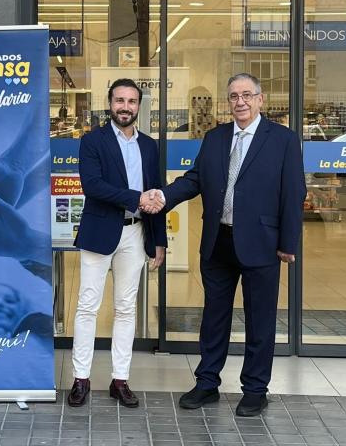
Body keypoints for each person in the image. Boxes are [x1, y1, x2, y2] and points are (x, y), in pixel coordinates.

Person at [142, 73, 305, 417]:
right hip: (218, 241)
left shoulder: (283, 140)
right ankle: (207, 383)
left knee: (259, 319)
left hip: (262, 243)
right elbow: (195, 180)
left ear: (261, 99)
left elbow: (293, 192)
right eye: (233, 96)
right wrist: (164, 196)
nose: (240, 102)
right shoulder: (215, 137)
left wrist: (288, 241)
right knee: (214, 317)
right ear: (227, 102)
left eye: (247, 95)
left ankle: (255, 389)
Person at [66, 78, 167, 409]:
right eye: (119, 100)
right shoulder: (92, 141)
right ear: (109, 104)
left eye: (132, 101)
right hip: (101, 232)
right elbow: (93, 186)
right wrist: (137, 197)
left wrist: (159, 241)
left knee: (126, 308)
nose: (126, 107)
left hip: (137, 234)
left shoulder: (150, 146)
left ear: (139, 106)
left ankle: (120, 380)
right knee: (87, 307)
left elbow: (158, 193)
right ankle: (81, 379)